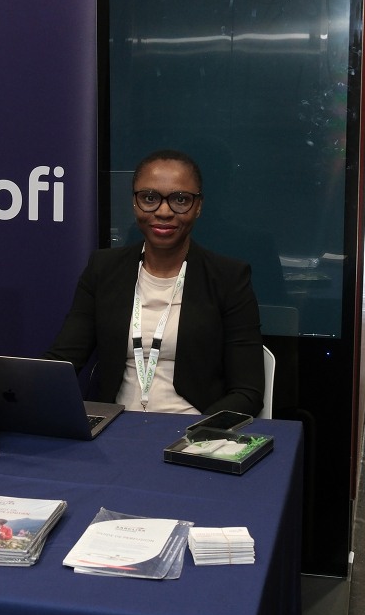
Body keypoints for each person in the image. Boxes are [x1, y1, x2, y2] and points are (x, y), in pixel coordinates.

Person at [45, 150, 263, 416]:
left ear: (198, 206)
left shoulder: (228, 278)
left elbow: (247, 393)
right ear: (135, 202)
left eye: (180, 199)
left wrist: (197, 432)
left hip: (192, 428)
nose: (163, 211)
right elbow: (63, 361)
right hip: (116, 426)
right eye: (149, 198)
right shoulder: (103, 269)